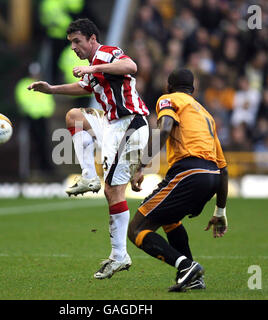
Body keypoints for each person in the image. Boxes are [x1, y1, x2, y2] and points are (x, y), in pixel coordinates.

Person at [28, 18, 150, 279]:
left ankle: (119, 256)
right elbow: (81, 87)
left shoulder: (105, 53)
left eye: (77, 41)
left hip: (130, 123)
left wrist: (94, 68)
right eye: (71, 42)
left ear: (92, 39)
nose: (73, 47)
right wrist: (50, 90)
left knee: (113, 190)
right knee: (74, 116)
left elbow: (132, 65)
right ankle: (88, 177)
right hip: (113, 125)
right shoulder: (94, 67)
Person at [128, 69, 228, 292]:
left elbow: (164, 131)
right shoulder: (206, 116)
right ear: (193, 90)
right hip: (211, 177)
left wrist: (141, 166)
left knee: (136, 229)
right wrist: (220, 211)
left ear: (168, 87)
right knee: (169, 219)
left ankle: (186, 266)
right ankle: (193, 278)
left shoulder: (168, 99)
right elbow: (223, 169)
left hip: (189, 173)